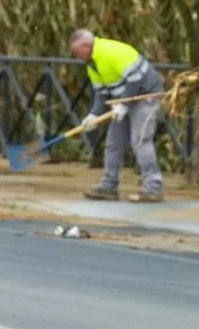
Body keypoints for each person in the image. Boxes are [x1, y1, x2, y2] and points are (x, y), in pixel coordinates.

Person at [69, 29, 164, 203]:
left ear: (85, 46)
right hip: (124, 101)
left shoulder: (110, 51)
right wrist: (93, 115)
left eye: (77, 52)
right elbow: (101, 93)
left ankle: (153, 188)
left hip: (146, 96)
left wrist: (123, 105)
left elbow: (135, 79)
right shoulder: (92, 64)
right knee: (114, 143)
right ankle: (108, 186)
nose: (76, 57)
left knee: (140, 140)